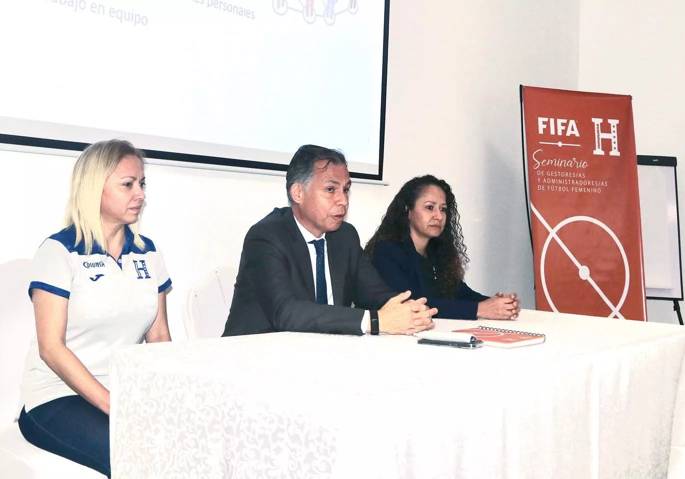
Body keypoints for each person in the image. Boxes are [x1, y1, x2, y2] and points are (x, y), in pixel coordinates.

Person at [18, 140, 172, 477]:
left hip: (125, 392)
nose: (141, 194)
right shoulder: (59, 252)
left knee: (186, 442)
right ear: (94, 189)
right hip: (56, 397)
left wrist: (167, 397)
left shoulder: (148, 253)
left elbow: (159, 336)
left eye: (142, 184)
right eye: (128, 184)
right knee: (137, 457)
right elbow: (51, 349)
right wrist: (112, 404)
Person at [223, 145, 437, 337]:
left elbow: (375, 293)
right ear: (298, 192)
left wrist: (407, 310)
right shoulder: (266, 237)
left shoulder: (345, 236)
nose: (343, 200)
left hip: (319, 355)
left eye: (346, 189)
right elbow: (286, 313)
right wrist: (374, 321)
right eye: (330, 189)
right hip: (253, 358)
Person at [365, 174, 520, 320]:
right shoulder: (386, 251)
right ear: (408, 210)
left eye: (443, 209)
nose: (438, 216)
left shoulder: (437, 251)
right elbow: (413, 305)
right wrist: (480, 309)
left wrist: (498, 303)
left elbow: (460, 292)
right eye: (429, 207)